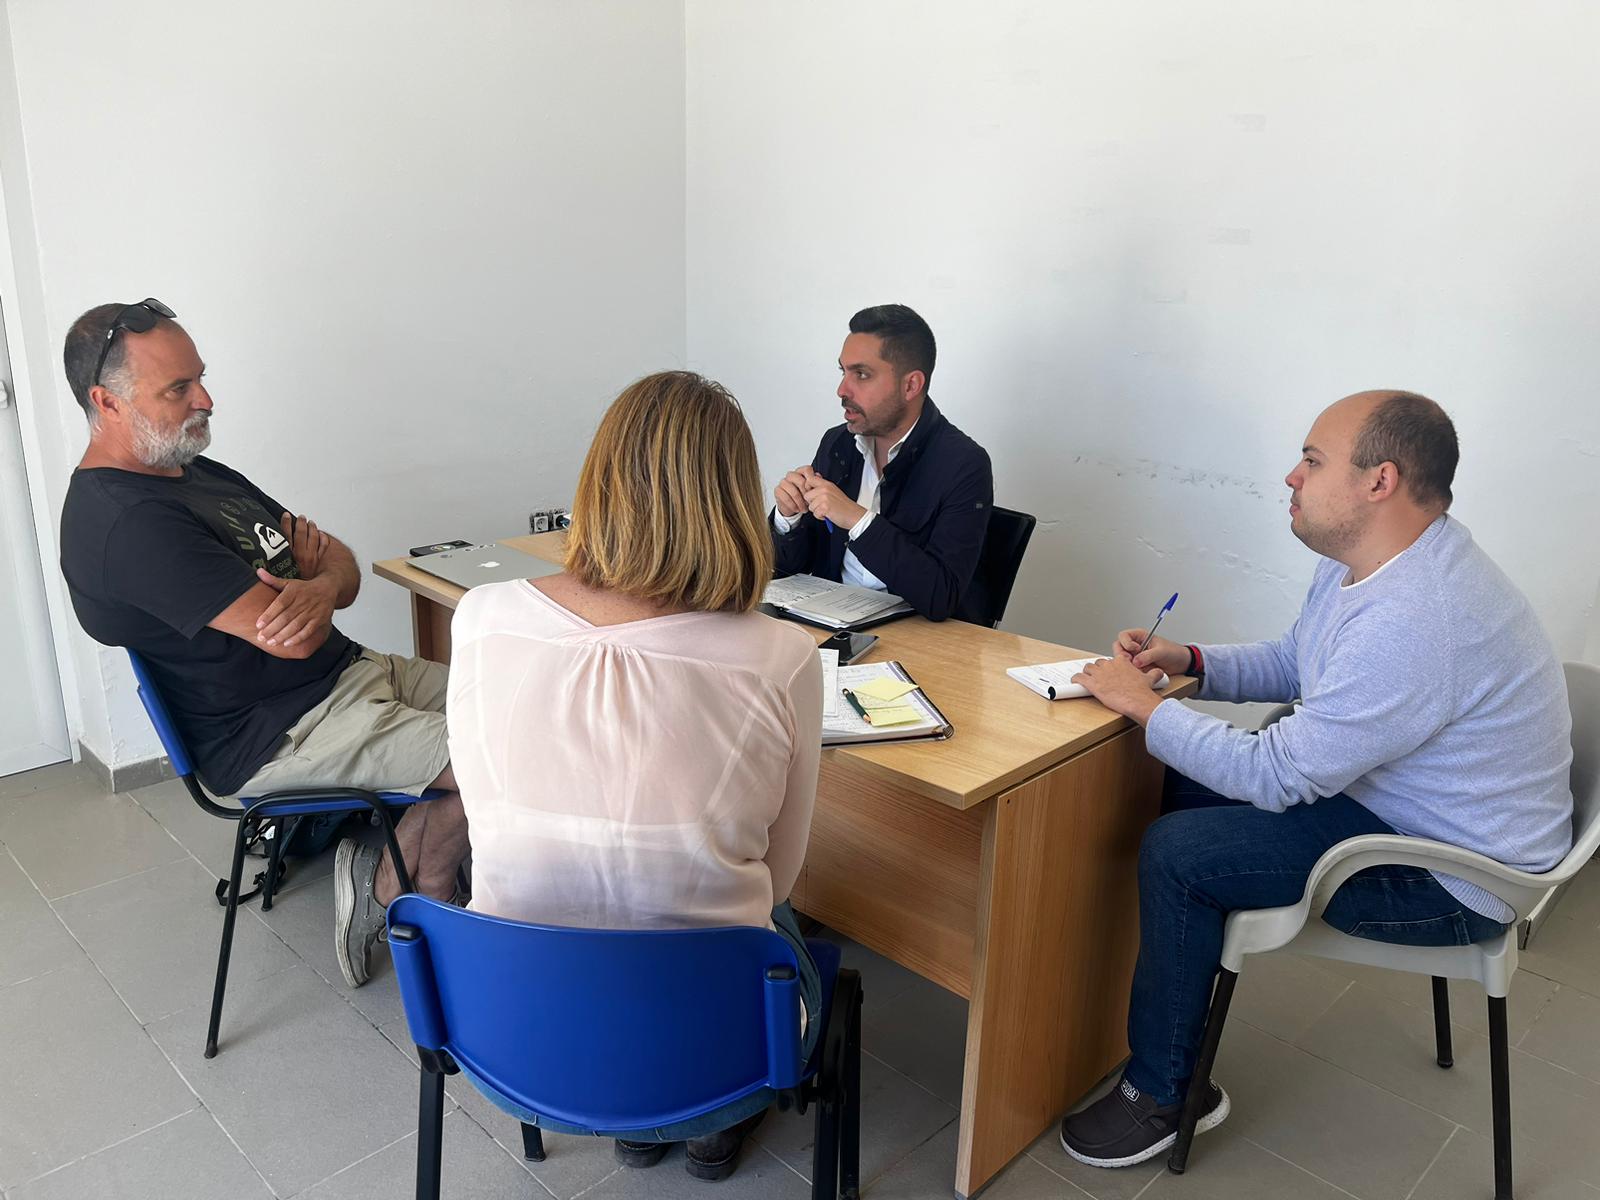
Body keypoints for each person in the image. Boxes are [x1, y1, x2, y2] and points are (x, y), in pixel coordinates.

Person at [1062, 390, 1573, 1168]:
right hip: (1399, 803)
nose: (1291, 476)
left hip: (1452, 874)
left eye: (1312, 460)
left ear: (1379, 481)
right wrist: (1193, 661)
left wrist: (1143, 707)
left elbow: (1276, 774)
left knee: (1178, 851)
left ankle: (1163, 1091)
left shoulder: (1418, 617)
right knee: (1160, 785)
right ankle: (1134, 1008)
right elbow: (1302, 660)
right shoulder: (1368, 565)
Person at [447, 370, 823, 1182]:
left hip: (517, 1027)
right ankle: (706, 1121)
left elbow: (481, 810)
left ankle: (637, 1119)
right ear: (733, 502)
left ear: (598, 483)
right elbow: (781, 878)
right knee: (781, 920)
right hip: (716, 1042)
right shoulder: (783, 658)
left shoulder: (479, 618)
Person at [57, 299, 469, 990]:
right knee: (510, 757)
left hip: (349, 674)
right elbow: (293, 636)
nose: (205, 399)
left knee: (529, 706)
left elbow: (340, 566)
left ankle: (398, 876)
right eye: (179, 388)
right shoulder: (128, 524)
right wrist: (314, 587)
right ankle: (407, 896)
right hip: (283, 730)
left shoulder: (195, 472)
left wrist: (319, 583)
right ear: (108, 402)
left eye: (200, 377)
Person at [771, 304, 993, 621]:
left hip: (916, 639)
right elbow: (788, 572)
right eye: (843, 372)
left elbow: (941, 596)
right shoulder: (838, 443)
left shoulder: (963, 464)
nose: (842, 390)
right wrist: (788, 517)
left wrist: (857, 520)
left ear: (911, 385)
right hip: (831, 628)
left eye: (861, 374)